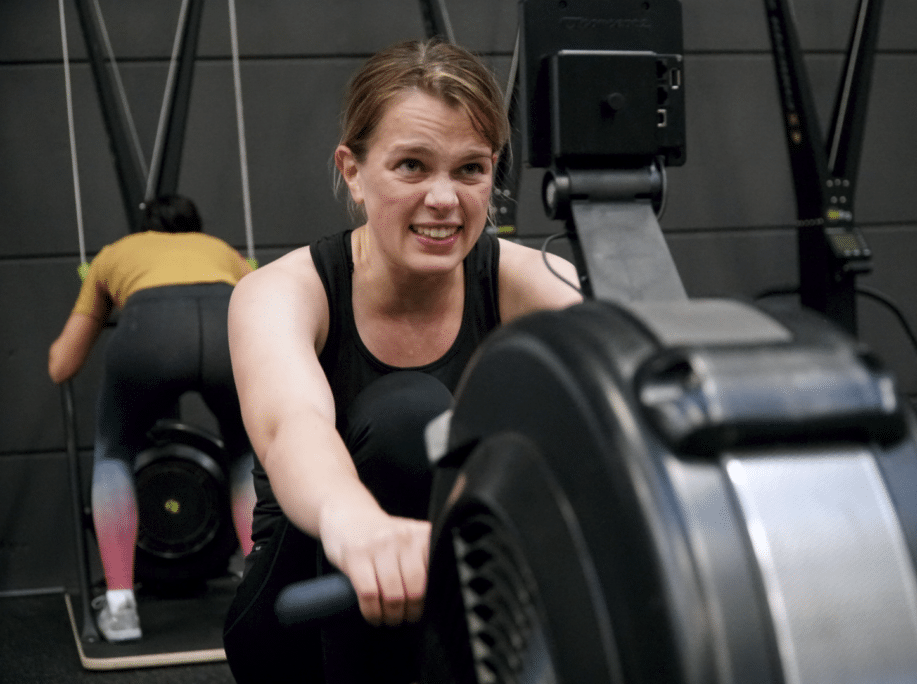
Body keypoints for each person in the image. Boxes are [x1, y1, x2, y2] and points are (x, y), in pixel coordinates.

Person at [222, 39, 582, 684]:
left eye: (470, 170)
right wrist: (357, 524)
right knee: (409, 417)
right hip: (306, 614)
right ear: (353, 171)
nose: (445, 199)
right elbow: (291, 426)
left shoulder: (536, 282)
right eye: (412, 166)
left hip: (463, 603)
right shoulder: (281, 292)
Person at [48, 194, 257, 643]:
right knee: (247, 452)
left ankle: (121, 608)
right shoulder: (223, 252)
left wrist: (99, 298)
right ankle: (262, 591)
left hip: (148, 331)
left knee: (113, 454)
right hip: (228, 327)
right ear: (195, 226)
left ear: (146, 229)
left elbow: (62, 365)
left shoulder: (115, 254)